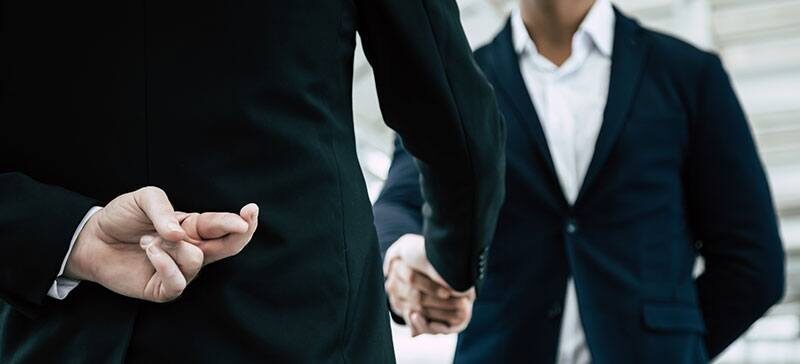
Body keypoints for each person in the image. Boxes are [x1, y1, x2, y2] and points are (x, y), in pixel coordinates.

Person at [0, 0, 505, 362]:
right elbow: (454, 116)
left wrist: (75, 238)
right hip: (304, 329)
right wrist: (452, 262)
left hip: (56, 337)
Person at [374, 0, 786, 363]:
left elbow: (753, 263)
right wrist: (399, 262)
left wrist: (674, 347)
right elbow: (398, 204)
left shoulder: (689, 76)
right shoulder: (460, 82)